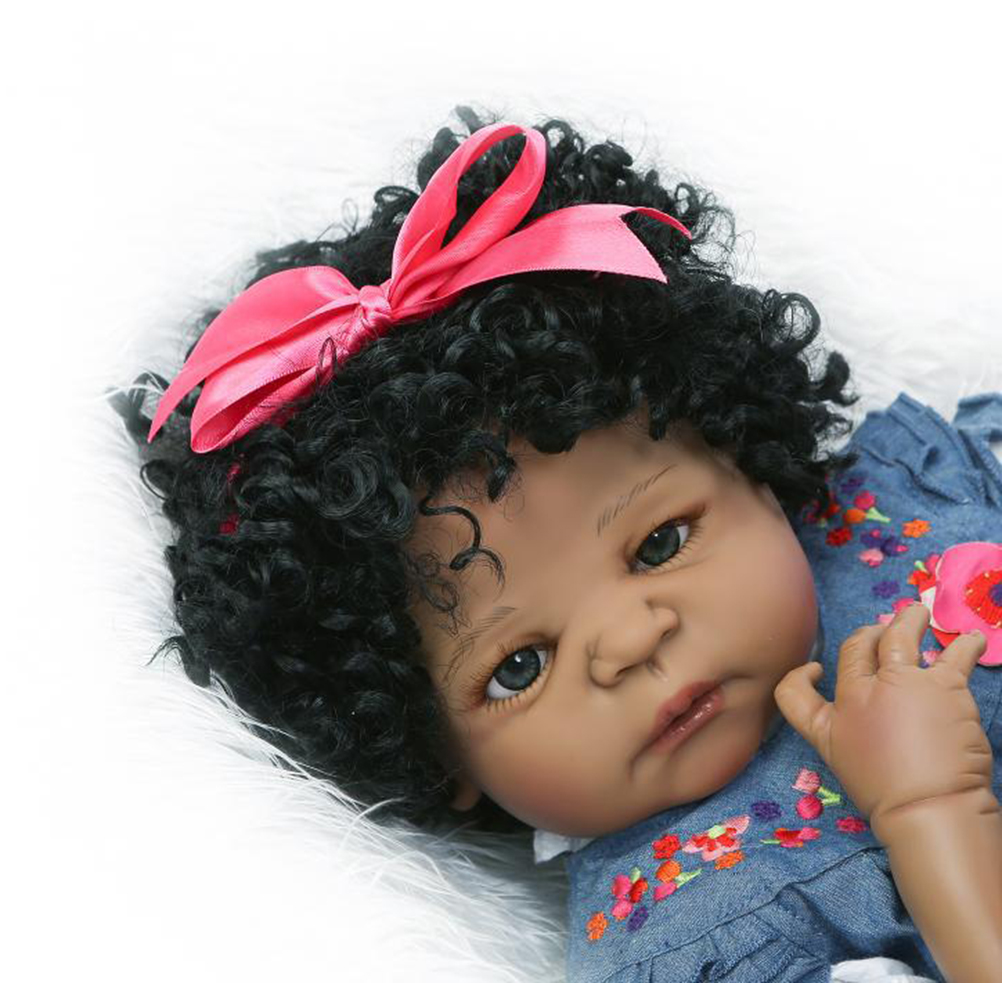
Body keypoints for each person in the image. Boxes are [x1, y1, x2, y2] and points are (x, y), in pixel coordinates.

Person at [113, 106, 1002, 982]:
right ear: (434, 754)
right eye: (519, 666)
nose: (632, 640)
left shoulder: (916, 492)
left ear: (749, 462)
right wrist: (931, 808)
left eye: (660, 543)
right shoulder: (698, 944)